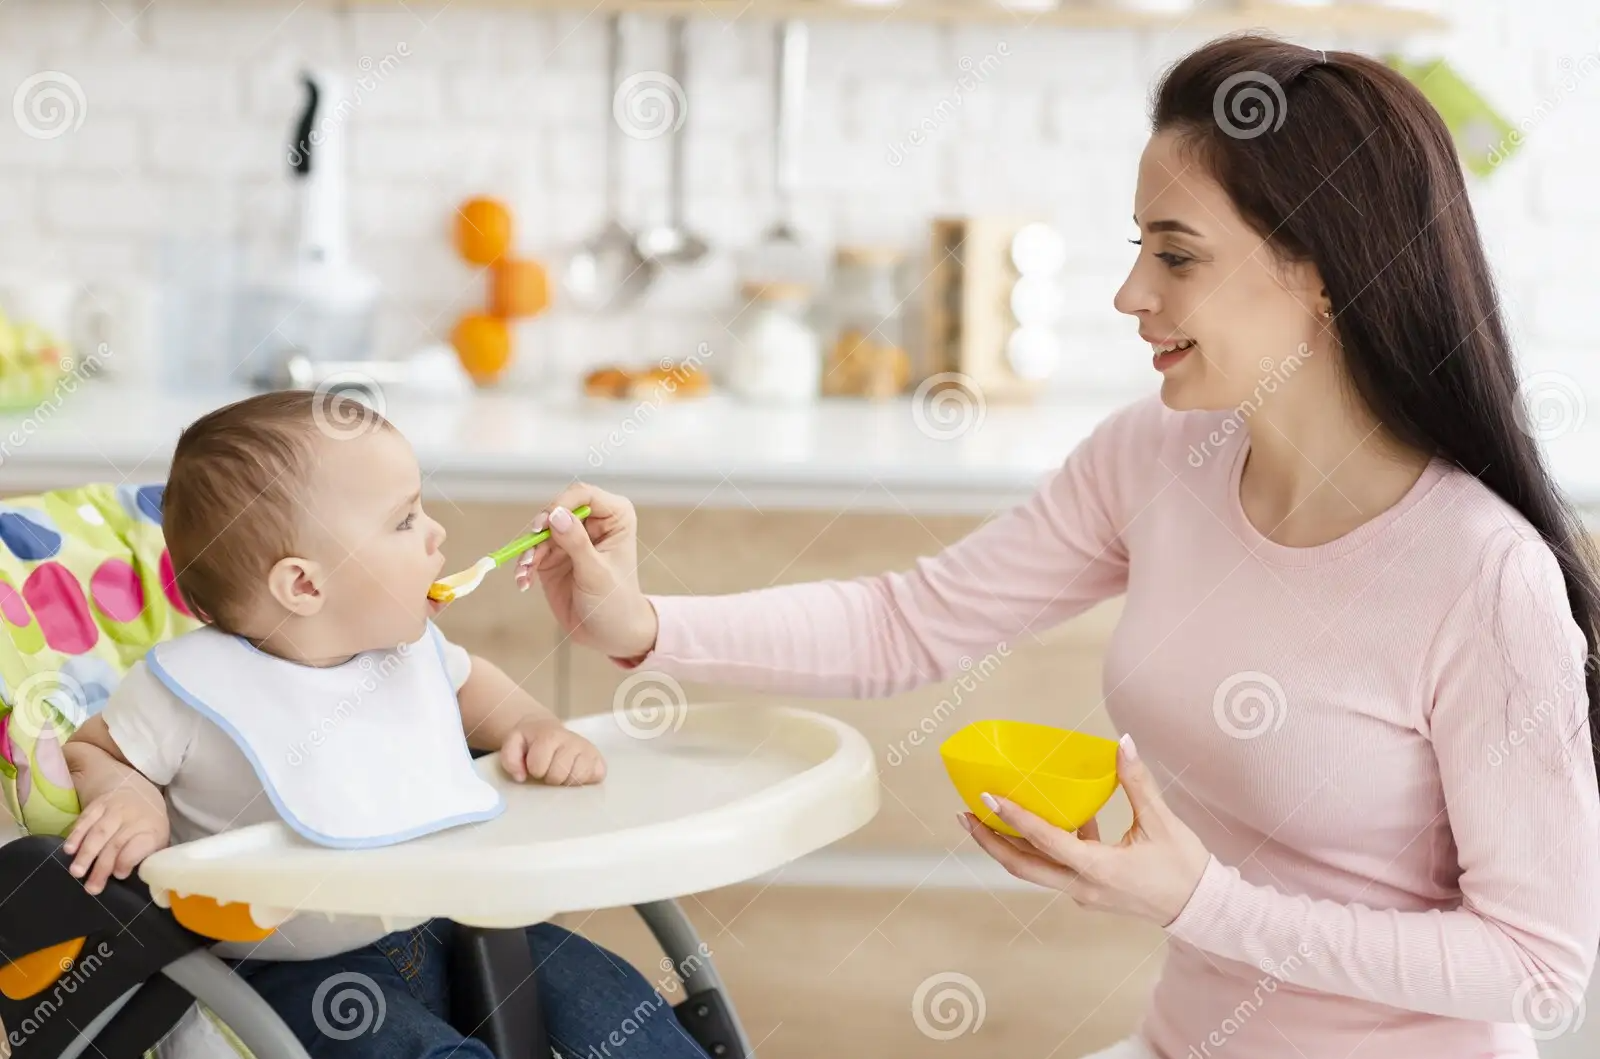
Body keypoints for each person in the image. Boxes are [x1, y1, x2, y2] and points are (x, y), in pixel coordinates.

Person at [518, 34, 1600, 1059]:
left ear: (1322, 273)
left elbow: (1538, 965)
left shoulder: (1480, 575)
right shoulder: (1159, 454)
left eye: (1176, 256)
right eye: (1139, 248)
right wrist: (646, 626)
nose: (1130, 295)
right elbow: (912, 622)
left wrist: (1200, 904)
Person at [62, 390, 707, 1059]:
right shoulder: (190, 689)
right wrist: (128, 794)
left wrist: (534, 724)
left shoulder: (406, 650)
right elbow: (95, 748)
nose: (437, 534)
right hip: (289, 967)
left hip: (450, 918)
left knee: (614, 1003)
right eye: (404, 521)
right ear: (305, 586)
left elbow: (471, 683)